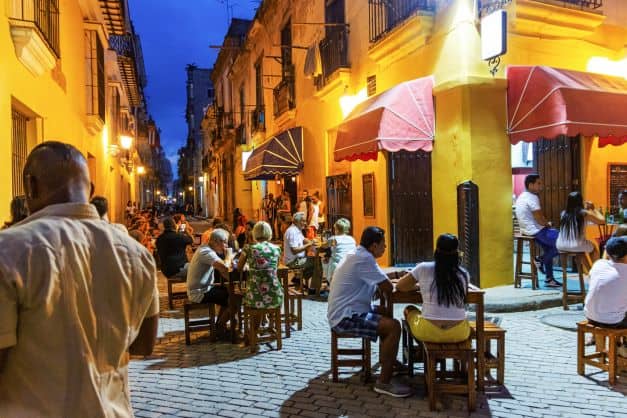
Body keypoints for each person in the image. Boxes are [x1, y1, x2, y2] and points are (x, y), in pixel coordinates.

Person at [0, 141, 158, 416]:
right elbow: (145, 344)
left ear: (31, 186)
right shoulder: (138, 254)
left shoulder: (10, 250)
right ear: (91, 190)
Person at [327, 226, 411, 397]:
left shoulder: (359, 254)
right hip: (345, 317)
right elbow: (387, 287)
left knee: (386, 313)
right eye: (383, 244)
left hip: (349, 309)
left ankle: (388, 360)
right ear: (374, 246)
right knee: (394, 327)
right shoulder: (364, 259)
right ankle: (384, 383)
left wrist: (398, 274)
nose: (385, 247)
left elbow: (380, 278)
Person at [396, 234, 471, 344]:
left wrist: (418, 286)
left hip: (428, 331)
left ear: (437, 251)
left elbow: (400, 286)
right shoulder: (464, 274)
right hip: (459, 333)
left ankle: (422, 350)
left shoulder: (423, 268)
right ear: (457, 253)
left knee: (409, 309)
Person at [187, 228, 237, 337]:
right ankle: (220, 326)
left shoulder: (206, 249)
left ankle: (220, 326)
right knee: (235, 298)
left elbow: (224, 270)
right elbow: (224, 267)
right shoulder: (206, 252)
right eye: (224, 242)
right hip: (199, 292)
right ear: (216, 241)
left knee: (229, 293)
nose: (226, 245)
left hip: (204, 288)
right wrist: (228, 255)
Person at [584, 236, 627, 357]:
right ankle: (622, 351)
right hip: (613, 321)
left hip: (590, 315)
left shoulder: (599, 264)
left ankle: (616, 349)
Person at [515, 174, 561, 287]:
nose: (542, 186)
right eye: (539, 183)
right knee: (564, 242)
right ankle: (541, 260)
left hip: (527, 230)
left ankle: (549, 279)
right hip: (536, 231)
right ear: (531, 185)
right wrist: (548, 223)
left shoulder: (522, 196)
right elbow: (539, 219)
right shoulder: (532, 197)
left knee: (550, 247)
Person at [237, 221, 283, 309]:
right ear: (269, 232)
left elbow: (239, 268)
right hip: (274, 293)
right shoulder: (276, 248)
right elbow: (275, 268)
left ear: (255, 232)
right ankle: (268, 319)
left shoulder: (248, 248)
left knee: (255, 314)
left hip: (254, 293)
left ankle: (257, 322)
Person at [556, 191, 604, 270]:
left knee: (582, 250)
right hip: (576, 245)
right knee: (593, 248)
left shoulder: (563, 213)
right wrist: (594, 209)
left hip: (560, 245)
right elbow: (602, 221)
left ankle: (589, 272)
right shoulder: (584, 213)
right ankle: (596, 272)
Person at [283, 212, 314, 291]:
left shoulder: (297, 229)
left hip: (298, 258)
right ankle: (313, 288)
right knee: (316, 263)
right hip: (293, 261)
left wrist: (312, 242)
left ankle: (298, 278)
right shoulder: (292, 232)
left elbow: (303, 240)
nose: (305, 223)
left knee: (313, 259)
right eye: (303, 221)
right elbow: (295, 250)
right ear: (296, 222)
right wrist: (309, 245)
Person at [322, 218, 356, 283]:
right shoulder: (351, 239)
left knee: (324, 260)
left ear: (336, 229)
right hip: (350, 265)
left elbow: (324, 246)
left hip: (337, 265)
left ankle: (328, 280)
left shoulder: (334, 239)